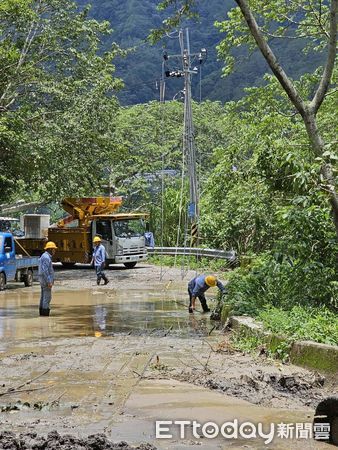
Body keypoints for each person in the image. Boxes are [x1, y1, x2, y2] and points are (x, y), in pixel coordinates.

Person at [38, 241, 57, 316]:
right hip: (45, 281)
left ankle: (42, 313)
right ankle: (45, 314)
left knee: (43, 297)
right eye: (54, 249)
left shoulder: (44, 256)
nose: (54, 251)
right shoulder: (46, 257)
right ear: (50, 249)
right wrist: (49, 281)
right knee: (47, 297)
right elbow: (45, 270)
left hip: (43, 280)